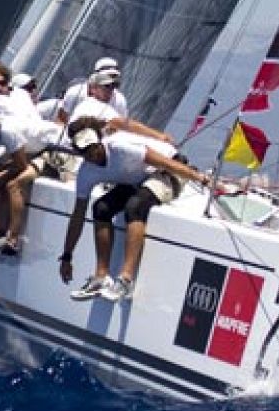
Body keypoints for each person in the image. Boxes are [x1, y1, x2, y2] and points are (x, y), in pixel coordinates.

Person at [57, 125, 211, 302]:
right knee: (100, 208)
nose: (93, 154)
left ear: (100, 142)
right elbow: (78, 216)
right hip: (139, 178)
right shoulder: (87, 171)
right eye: (86, 152)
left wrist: (201, 179)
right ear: (79, 153)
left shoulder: (120, 148)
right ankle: (101, 278)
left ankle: (125, 280)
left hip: (169, 169)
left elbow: (167, 163)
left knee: (135, 207)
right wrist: (67, 256)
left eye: (94, 148)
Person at [0, 103, 67, 256]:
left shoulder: (7, 130)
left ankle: (13, 239)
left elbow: (21, 165)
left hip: (54, 150)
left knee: (13, 185)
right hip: (33, 152)